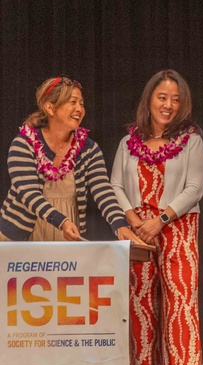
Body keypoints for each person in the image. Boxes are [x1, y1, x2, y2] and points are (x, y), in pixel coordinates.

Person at [110, 70, 203, 365]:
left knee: (180, 305)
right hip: (139, 232)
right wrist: (136, 221)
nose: (168, 105)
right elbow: (116, 188)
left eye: (175, 99)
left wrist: (161, 219)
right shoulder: (128, 143)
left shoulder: (191, 140)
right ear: (149, 100)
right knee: (143, 308)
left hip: (177, 226)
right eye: (162, 97)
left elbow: (194, 188)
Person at [0, 76, 140, 244]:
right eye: (72, 102)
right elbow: (29, 194)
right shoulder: (23, 145)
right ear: (50, 108)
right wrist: (62, 222)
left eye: (81, 104)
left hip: (66, 235)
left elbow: (103, 192)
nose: (79, 109)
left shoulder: (89, 149)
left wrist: (120, 225)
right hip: (21, 236)